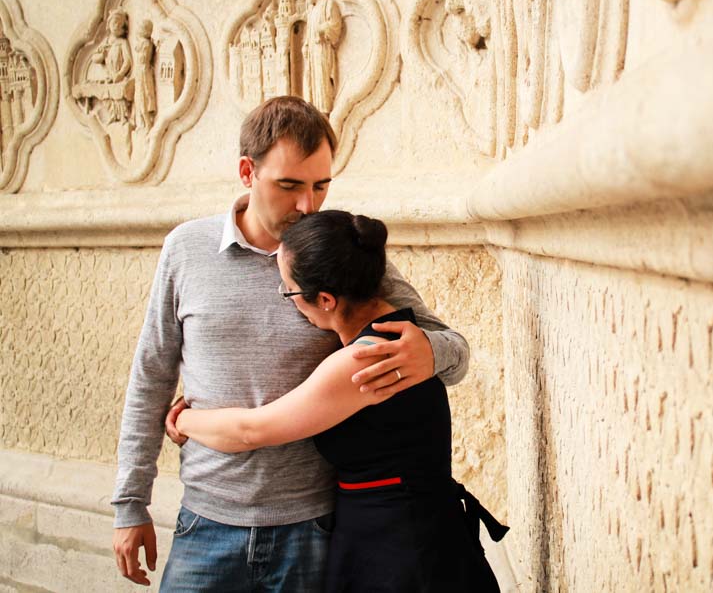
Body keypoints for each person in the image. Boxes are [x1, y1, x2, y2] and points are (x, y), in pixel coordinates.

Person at [111, 96, 471, 590]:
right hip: (207, 522)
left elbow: (452, 349)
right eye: (290, 185)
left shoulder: (343, 251)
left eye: (321, 185)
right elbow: (150, 375)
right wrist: (130, 503)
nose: (308, 205)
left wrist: (432, 352)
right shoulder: (185, 250)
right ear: (246, 172)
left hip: (316, 527)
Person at [169, 210, 507, 592]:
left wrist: (182, 421)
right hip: (408, 536)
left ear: (326, 299)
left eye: (289, 291)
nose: (289, 301)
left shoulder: (364, 361)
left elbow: (252, 430)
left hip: (401, 553)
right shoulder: (400, 329)